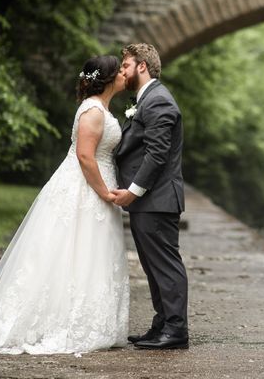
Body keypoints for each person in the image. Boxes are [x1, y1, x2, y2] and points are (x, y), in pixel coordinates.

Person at [0, 55, 129, 355]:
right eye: (119, 71)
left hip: (94, 185)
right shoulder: (93, 111)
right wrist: (105, 192)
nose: (123, 74)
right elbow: (84, 156)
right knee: (71, 250)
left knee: (86, 252)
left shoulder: (101, 108)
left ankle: (88, 319)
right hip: (85, 188)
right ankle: (63, 322)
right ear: (107, 79)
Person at [111, 43, 189, 350]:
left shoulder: (158, 102)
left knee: (166, 265)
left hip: (157, 200)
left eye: (126, 66)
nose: (123, 72)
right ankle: (161, 325)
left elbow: (157, 155)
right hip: (150, 201)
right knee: (153, 265)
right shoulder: (148, 100)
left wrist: (132, 192)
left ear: (142, 65)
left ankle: (176, 330)